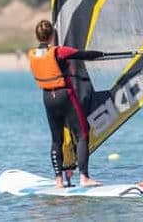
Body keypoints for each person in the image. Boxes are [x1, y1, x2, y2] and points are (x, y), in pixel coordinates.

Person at [28, 19, 103, 188]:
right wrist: (100, 54)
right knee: (82, 134)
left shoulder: (32, 54)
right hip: (64, 95)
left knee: (56, 140)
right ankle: (84, 177)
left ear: (37, 36)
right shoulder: (59, 52)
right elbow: (83, 54)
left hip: (48, 98)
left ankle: (58, 180)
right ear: (52, 35)